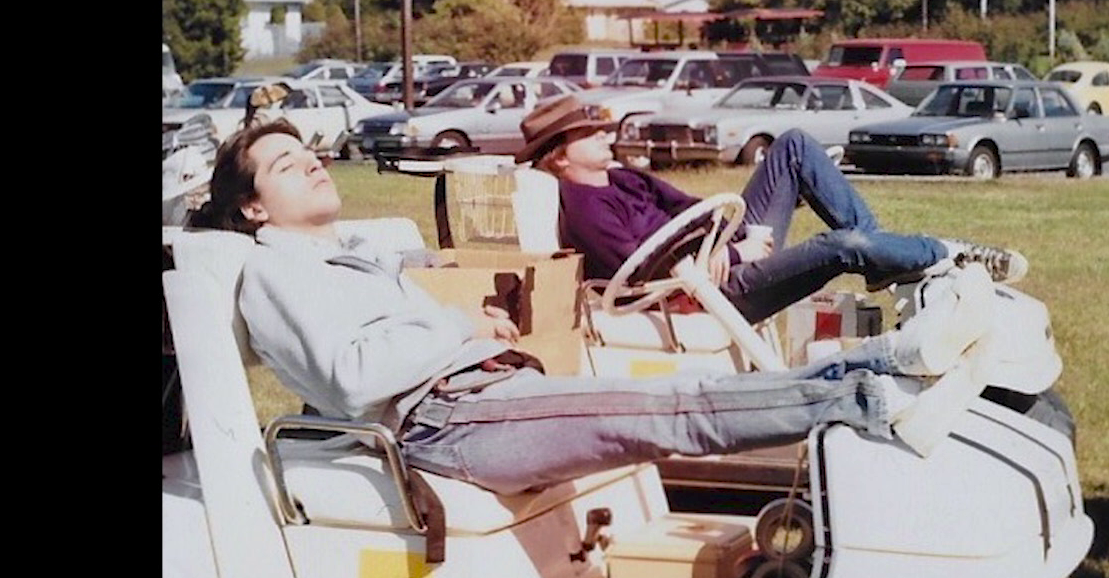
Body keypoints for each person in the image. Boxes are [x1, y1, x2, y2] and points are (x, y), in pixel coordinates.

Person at [195, 119, 1015, 499]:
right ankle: (879, 383)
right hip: (441, 418)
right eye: (285, 165)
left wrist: (467, 328)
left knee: (673, 405)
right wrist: (456, 325)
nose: (312, 164)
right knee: (670, 409)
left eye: (308, 152)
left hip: (476, 389)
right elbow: (347, 377)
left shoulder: (346, 253)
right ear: (253, 208)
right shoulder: (273, 272)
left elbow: (395, 338)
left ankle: (886, 365)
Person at [517, 96, 1028, 326]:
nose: (603, 134)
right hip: (708, 293)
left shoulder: (623, 177)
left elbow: (691, 208)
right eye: (587, 133)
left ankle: (887, 260)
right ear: (559, 156)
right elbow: (641, 271)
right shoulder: (583, 208)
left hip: (720, 258)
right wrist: (733, 256)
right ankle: (947, 253)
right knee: (843, 246)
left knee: (794, 146)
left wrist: (730, 237)